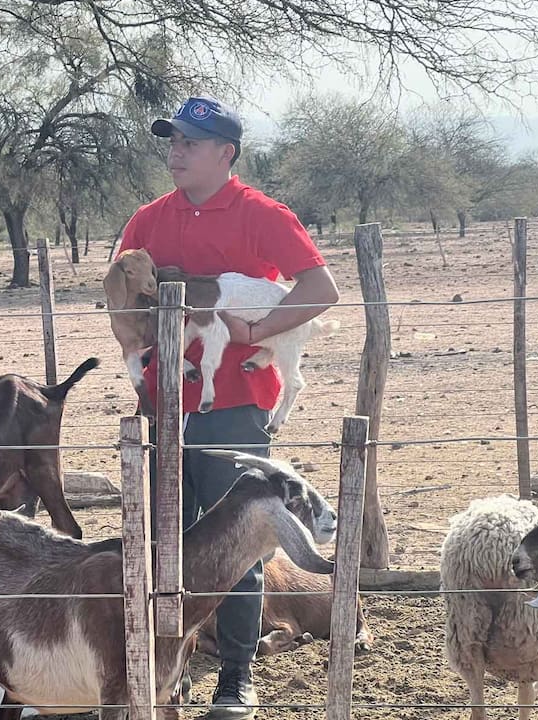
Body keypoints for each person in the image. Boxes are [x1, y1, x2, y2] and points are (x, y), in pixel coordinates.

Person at [116, 96, 340, 718]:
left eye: (190, 142)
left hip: (237, 409)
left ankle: (236, 680)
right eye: (172, 140)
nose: (176, 151)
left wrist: (256, 331)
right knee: (165, 542)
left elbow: (322, 288)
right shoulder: (147, 221)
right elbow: (123, 296)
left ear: (226, 154)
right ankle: (166, 674)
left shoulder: (261, 215)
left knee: (239, 546)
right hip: (162, 405)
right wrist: (138, 361)